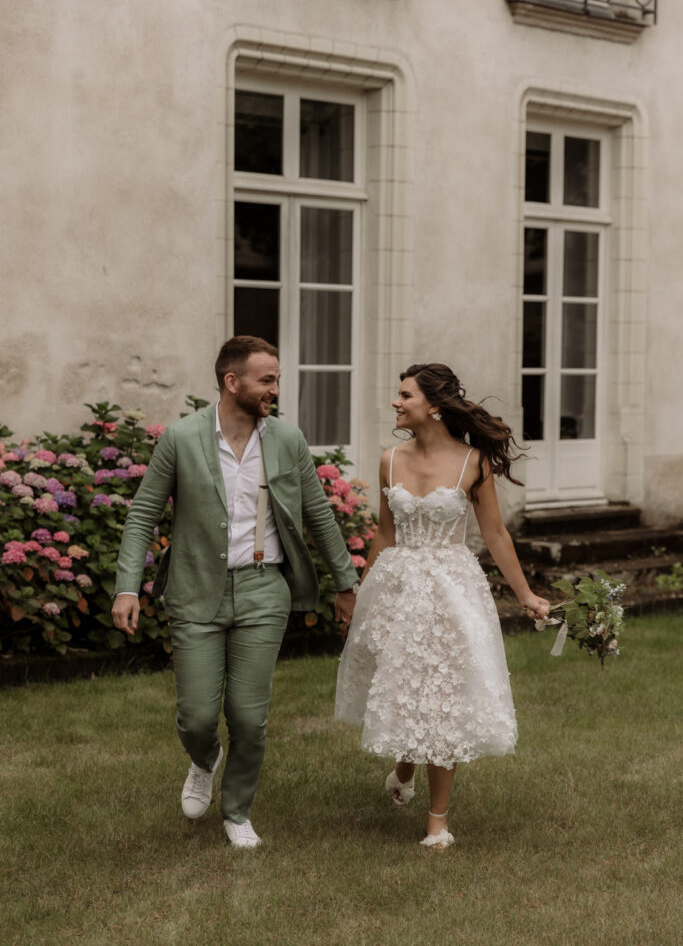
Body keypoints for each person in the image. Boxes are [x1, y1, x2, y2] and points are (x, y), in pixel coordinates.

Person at [113, 336, 359, 848]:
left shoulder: (287, 440)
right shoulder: (182, 438)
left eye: (276, 379)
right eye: (266, 379)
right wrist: (127, 587)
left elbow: (317, 512)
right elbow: (142, 514)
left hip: (263, 589)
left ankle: (237, 811)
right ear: (232, 382)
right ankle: (204, 760)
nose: (274, 388)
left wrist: (346, 582)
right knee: (198, 716)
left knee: (249, 717)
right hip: (195, 590)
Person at [335, 363, 549, 850]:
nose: (395, 402)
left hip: (453, 590)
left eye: (404, 394)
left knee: (444, 697)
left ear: (432, 405)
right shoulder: (390, 459)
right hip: (398, 586)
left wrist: (526, 596)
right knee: (407, 686)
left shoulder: (473, 462)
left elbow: (494, 534)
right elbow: (386, 533)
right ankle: (404, 767)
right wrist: (362, 592)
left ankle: (437, 822)